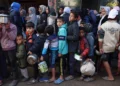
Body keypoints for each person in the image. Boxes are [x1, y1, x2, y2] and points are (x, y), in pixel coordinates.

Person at [98, 9, 120, 81]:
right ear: (116, 16)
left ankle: (110, 76)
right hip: (115, 47)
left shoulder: (103, 26)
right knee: (110, 59)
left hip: (106, 47)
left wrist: (100, 47)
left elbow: (100, 39)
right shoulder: (118, 26)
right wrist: (118, 43)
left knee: (105, 59)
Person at [0, 16, 18, 86]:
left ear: (9, 20)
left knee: (13, 63)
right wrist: (0, 29)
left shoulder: (13, 27)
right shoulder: (1, 26)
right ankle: (12, 76)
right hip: (3, 47)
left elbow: (13, 38)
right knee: (7, 63)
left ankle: (15, 78)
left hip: (11, 47)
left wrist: (8, 29)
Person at [65, 11, 79, 80]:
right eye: (69, 15)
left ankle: (72, 74)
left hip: (73, 46)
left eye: (72, 16)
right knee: (70, 60)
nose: (70, 17)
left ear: (76, 18)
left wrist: (66, 37)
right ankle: (71, 72)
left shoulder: (75, 25)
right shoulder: (70, 23)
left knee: (72, 61)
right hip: (70, 45)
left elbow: (76, 37)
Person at [54, 17, 68, 84]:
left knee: (61, 64)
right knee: (62, 63)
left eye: (60, 22)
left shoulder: (62, 29)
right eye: (57, 22)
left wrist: (59, 51)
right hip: (64, 49)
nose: (58, 23)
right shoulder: (63, 28)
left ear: (63, 22)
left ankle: (61, 77)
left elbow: (62, 42)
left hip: (62, 50)